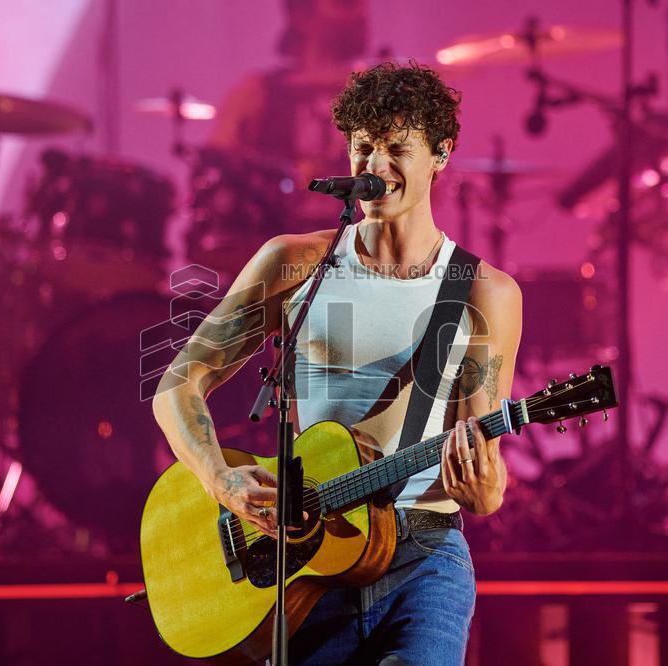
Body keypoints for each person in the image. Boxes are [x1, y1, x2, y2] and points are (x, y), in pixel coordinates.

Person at [152, 62, 522, 665]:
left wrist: (485, 489)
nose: (375, 168)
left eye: (397, 149)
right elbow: (177, 384)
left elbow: (484, 461)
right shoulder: (295, 264)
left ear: (442, 154)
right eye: (363, 148)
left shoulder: (485, 292)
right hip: (307, 554)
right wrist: (220, 480)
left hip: (423, 558)